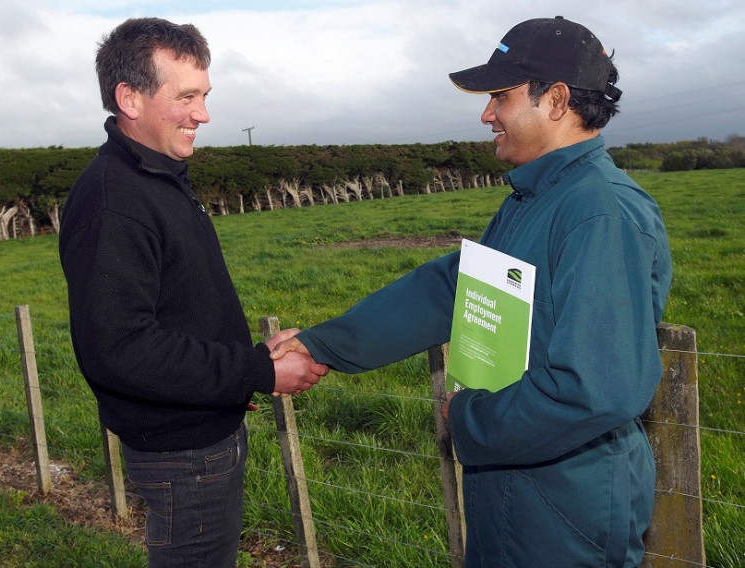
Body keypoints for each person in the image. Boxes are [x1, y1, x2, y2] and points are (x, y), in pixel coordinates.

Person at [270, 16, 672, 567]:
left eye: (500, 97)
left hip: (565, 508)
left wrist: (469, 420)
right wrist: (325, 344)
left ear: (555, 100)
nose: (486, 114)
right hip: (516, 487)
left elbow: (599, 389)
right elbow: (453, 287)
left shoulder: (599, 213)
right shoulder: (538, 198)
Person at [58, 17, 326, 567]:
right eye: (186, 97)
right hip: (182, 453)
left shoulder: (158, 176)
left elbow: (180, 312)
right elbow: (121, 348)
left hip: (202, 431)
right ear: (129, 97)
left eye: (204, 95)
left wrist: (250, 363)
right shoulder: (115, 199)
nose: (203, 114)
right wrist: (259, 372)